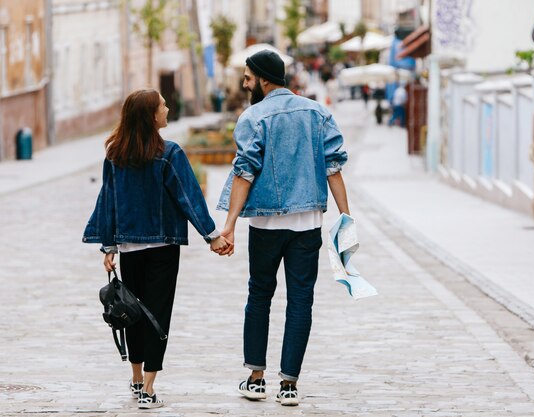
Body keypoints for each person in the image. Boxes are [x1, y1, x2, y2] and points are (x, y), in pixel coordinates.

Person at [216, 50, 350, 407]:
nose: (244, 84)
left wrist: (228, 225)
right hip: (307, 223)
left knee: (259, 295)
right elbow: (333, 167)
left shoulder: (253, 116)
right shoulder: (317, 112)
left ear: (261, 78)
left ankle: (257, 378)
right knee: (301, 300)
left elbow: (244, 172)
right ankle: (289, 384)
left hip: (265, 223)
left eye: (247, 78)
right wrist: (346, 216)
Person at [82, 88, 231, 409]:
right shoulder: (169, 153)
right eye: (163, 105)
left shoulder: (115, 154)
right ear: (151, 116)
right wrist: (212, 235)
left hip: (129, 248)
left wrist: (108, 245)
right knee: (157, 316)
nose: (167, 108)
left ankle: (137, 380)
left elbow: (106, 201)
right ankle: (149, 389)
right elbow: (188, 196)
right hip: (163, 245)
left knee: (133, 315)